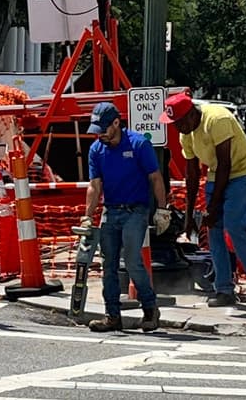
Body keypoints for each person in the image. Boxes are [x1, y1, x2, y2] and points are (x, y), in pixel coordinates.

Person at [160, 92, 246, 307]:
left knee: (234, 225)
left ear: (191, 114)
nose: (176, 128)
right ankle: (224, 289)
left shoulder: (217, 119)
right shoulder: (187, 133)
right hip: (216, 176)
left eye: (179, 122)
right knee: (214, 230)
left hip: (242, 173)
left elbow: (225, 165)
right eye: (173, 124)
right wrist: (190, 215)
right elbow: (191, 174)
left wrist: (213, 205)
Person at [82, 102, 168, 332]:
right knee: (107, 265)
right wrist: (87, 216)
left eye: (103, 129)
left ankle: (150, 308)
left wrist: (162, 209)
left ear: (117, 124)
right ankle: (112, 316)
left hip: (135, 211)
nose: (99, 135)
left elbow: (156, 178)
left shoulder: (139, 144)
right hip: (111, 211)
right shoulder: (96, 150)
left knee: (132, 261)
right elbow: (94, 186)